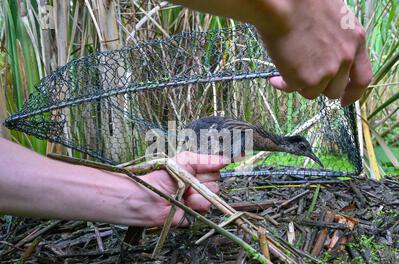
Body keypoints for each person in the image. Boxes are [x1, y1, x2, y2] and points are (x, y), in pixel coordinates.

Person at [0, 0, 372, 227]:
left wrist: (137, 197)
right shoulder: (253, 138)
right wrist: (288, 8)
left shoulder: (256, 139)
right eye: (300, 150)